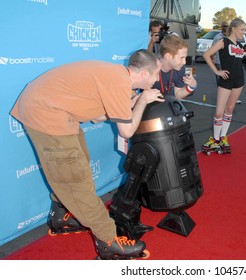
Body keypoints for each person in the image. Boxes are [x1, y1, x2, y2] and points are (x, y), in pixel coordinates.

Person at [9, 50, 165, 260]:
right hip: (45, 113)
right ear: (145, 73)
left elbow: (101, 115)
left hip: (54, 109)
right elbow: (126, 131)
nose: (157, 80)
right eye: (156, 75)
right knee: (75, 179)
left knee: (78, 159)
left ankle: (60, 216)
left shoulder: (118, 77)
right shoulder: (119, 82)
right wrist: (143, 101)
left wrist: (137, 101)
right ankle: (108, 241)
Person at [201, 18, 246, 154]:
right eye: (242, 29)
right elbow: (207, 54)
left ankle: (222, 138)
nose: (244, 32)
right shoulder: (223, 41)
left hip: (239, 81)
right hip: (225, 81)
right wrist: (217, 71)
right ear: (233, 29)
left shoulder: (240, 46)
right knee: (219, 112)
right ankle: (215, 140)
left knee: (230, 109)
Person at [152, 34, 198, 99]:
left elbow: (176, 94)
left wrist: (191, 86)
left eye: (185, 58)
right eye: (181, 57)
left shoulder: (180, 69)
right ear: (168, 56)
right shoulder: (150, 68)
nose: (184, 62)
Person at [212, 21, 242, 104]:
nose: (225, 27)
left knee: (231, 79)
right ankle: (221, 98)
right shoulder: (217, 37)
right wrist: (213, 60)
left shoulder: (230, 37)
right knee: (221, 81)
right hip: (219, 61)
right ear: (221, 27)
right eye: (224, 26)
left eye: (227, 26)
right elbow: (211, 50)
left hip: (228, 62)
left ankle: (232, 97)